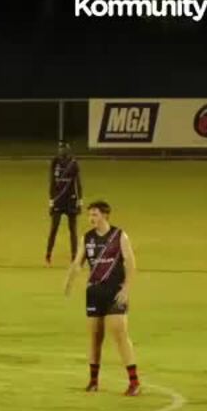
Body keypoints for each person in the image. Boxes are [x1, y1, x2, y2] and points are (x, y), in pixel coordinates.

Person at [65, 201, 140, 396]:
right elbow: (78, 262)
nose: (91, 218)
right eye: (90, 215)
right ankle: (93, 381)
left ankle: (134, 382)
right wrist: (70, 279)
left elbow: (131, 265)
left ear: (105, 215)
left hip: (114, 292)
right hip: (94, 293)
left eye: (95, 214)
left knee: (119, 333)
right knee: (94, 338)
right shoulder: (87, 239)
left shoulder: (119, 236)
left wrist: (126, 289)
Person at [46, 141, 84, 265]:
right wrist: (51, 201)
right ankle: (48, 255)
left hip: (71, 200)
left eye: (63, 150)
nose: (61, 152)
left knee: (72, 230)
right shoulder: (54, 162)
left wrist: (80, 201)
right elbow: (52, 182)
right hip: (58, 200)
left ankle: (74, 257)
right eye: (60, 150)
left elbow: (78, 184)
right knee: (54, 229)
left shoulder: (73, 164)